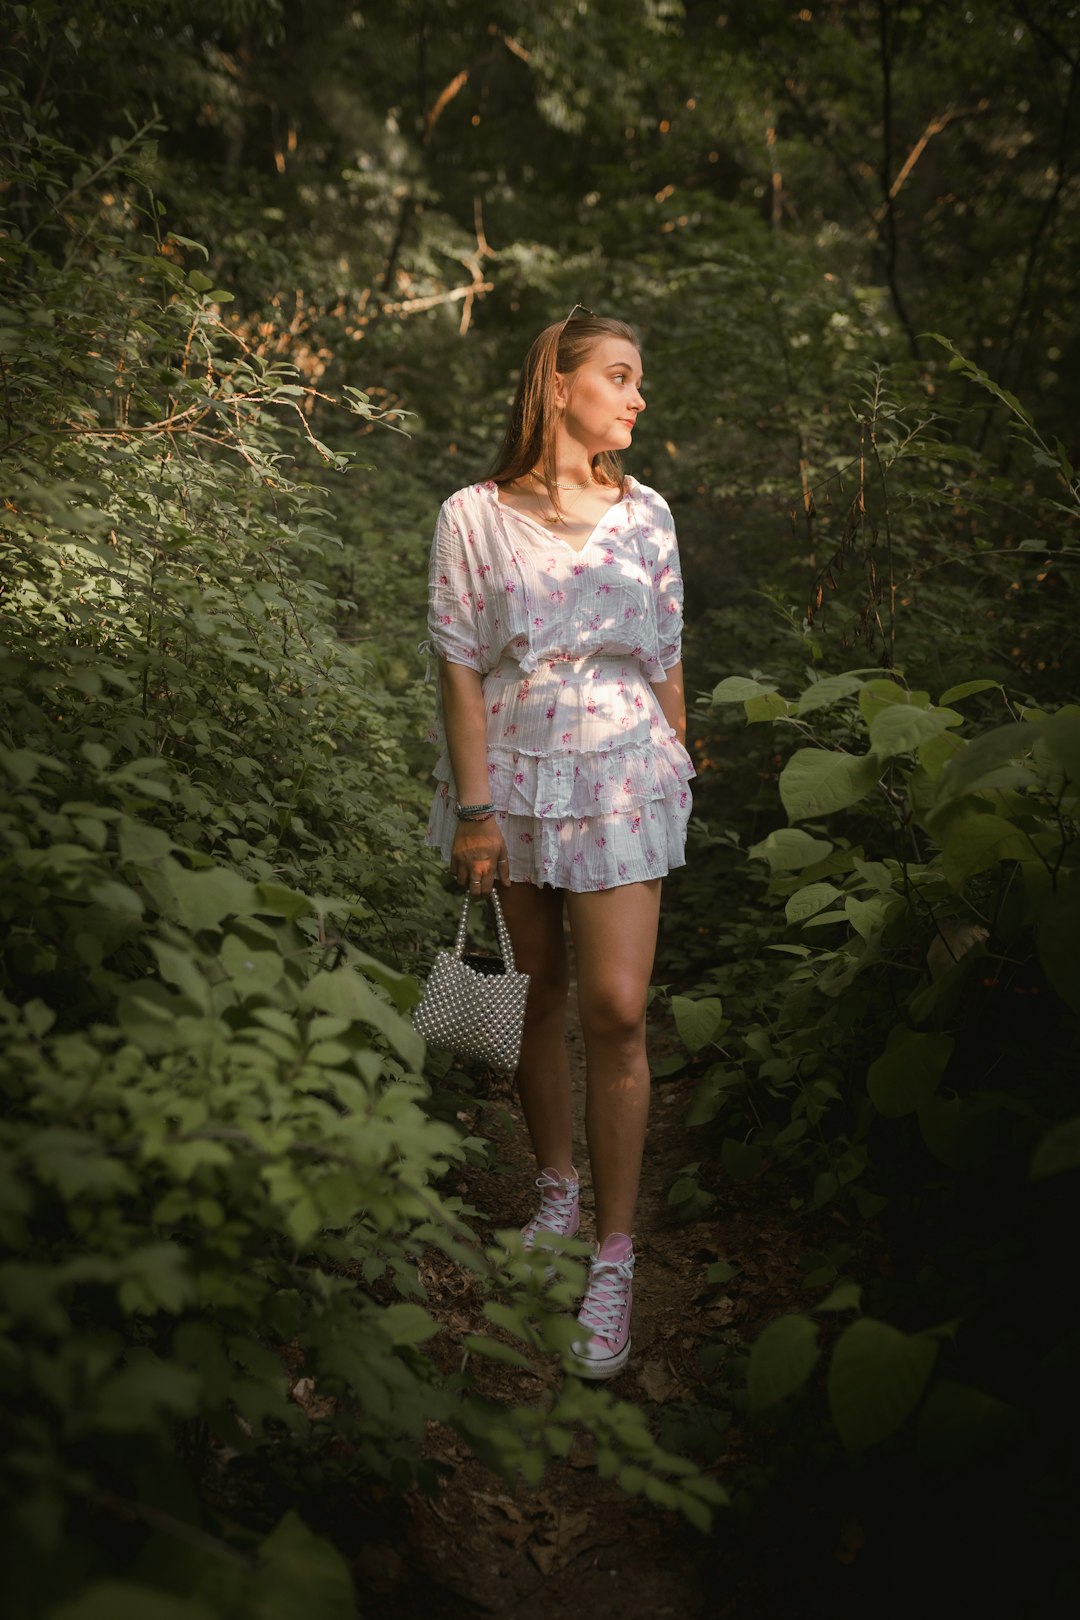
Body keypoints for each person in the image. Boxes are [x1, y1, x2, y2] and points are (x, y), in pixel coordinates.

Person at [424, 307, 694, 1380]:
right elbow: (455, 665)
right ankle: (554, 1189)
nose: (637, 397)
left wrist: (683, 760)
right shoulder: (472, 516)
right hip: (516, 780)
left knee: (617, 1009)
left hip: (626, 774)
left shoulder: (651, 514)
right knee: (534, 993)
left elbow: (668, 648)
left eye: (639, 379)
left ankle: (615, 1255)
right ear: (559, 385)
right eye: (621, 377)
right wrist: (477, 809)